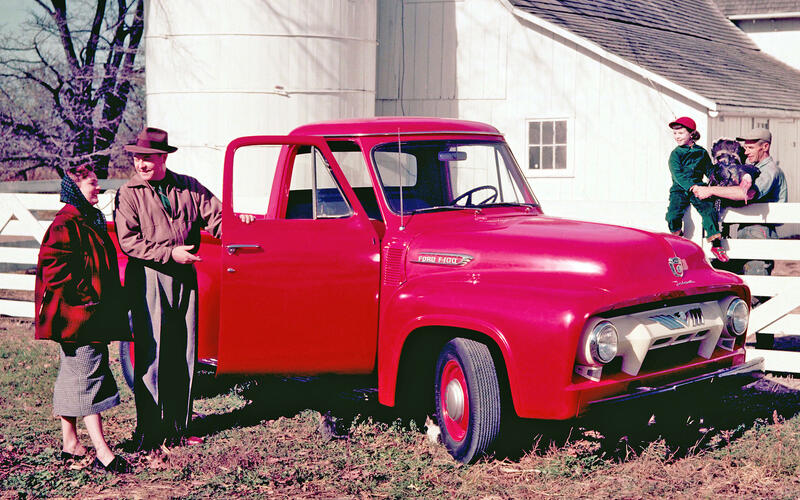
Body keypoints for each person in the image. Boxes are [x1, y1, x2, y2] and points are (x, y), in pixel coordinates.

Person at [114, 127, 253, 451]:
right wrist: (169, 254)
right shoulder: (128, 193)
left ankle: (179, 428)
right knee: (151, 354)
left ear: (163, 158)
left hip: (184, 279)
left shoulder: (187, 187)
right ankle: (150, 432)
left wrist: (241, 223)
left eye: (148, 158)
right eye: (137, 157)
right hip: (150, 276)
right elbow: (128, 240)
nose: (141, 163)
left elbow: (218, 218)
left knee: (183, 352)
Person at [35, 164, 132, 473]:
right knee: (90, 377)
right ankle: (103, 452)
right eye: (92, 184)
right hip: (77, 318)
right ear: (75, 186)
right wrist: (86, 295)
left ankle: (71, 444)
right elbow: (54, 269)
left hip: (85, 315)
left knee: (72, 376)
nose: (98, 189)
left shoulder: (87, 219)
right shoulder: (66, 223)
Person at [692, 128, 788, 348]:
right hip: (739, 233)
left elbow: (746, 194)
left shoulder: (768, 171)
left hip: (758, 234)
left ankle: (765, 348)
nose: (746, 151)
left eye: (751, 147)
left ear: (765, 147)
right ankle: (733, 344)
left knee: (757, 290)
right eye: (745, 146)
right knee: (734, 289)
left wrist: (711, 191)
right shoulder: (747, 168)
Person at [665, 117, 728, 261]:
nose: (677, 137)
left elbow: (709, 170)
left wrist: (718, 175)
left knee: (708, 210)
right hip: (680, 189)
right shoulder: (676, 154)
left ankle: (716, 244)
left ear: (691, 134)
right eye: (675, 134)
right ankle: (677, 237)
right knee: (673, 214)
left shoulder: (701, 152)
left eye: (680, 133)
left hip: (699, 187)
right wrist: (691, 187)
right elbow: (677, 175)